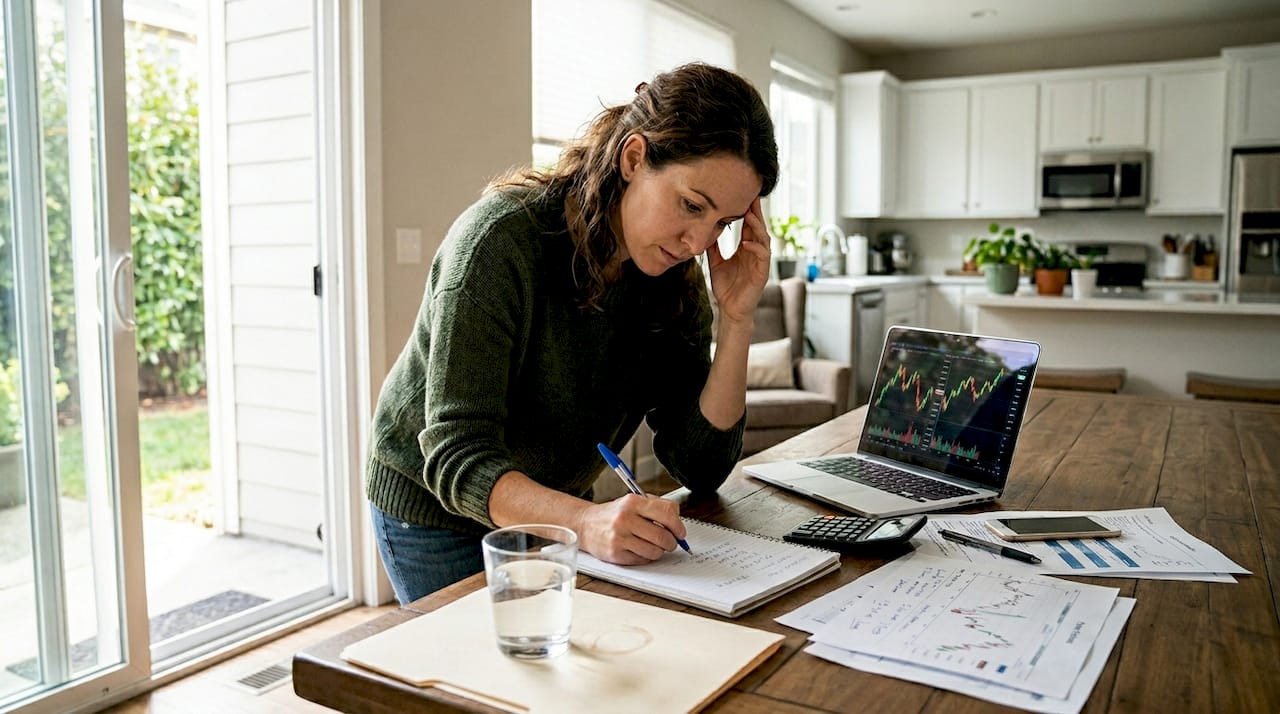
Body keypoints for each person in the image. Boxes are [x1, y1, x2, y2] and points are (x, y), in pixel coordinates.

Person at [365, 62, 779, 604]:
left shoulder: (671, 279)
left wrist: (738, 319)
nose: (699, 242)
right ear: (634, 158)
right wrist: (585, 522)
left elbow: (701, 466)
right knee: (480, 679)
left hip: (554, 503)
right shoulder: (499, 243)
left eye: (721, 223)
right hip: (437, 511)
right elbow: (457, 457)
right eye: (691, 206)